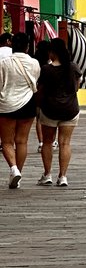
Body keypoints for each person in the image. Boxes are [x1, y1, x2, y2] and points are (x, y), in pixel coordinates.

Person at [36, 38, 80, 187]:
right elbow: (77, 88)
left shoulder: (46, 69)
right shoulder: (73, 67)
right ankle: (63, 176)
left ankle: (47, 174)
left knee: (48, 142)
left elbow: (41, 90)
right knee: (65, 143)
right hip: (70, 109)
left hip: (50, 109)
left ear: (52, 52)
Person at [0, 32, 41, 188]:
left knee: (7, 142)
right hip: (28, 104)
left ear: (11, 45)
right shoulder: (35, 63)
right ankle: (18, 173)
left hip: (6, 105)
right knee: (22, 141)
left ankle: (13, 168)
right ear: (27, 46)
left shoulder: (4, 63)